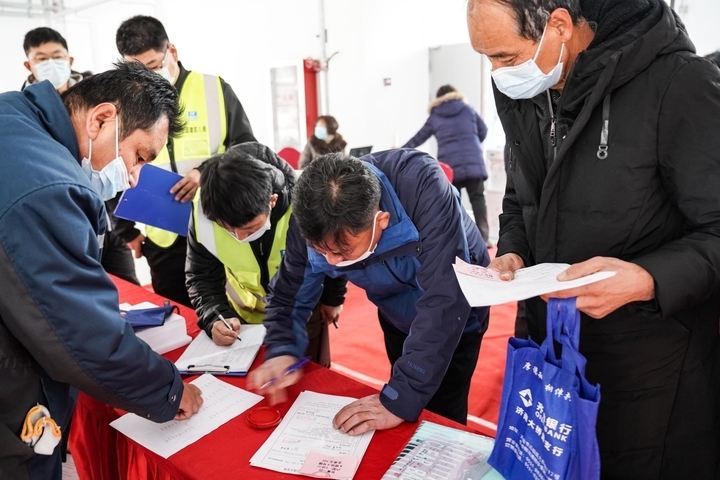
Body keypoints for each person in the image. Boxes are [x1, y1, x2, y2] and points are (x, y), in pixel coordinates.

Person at [467, 0, 720, 477]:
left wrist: (647, 278)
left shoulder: (679, 85)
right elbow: (522, 196)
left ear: (558, 26)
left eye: (503, 57)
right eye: (488, 58)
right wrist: (514, 248)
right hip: (552, 344)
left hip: (649, 361)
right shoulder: (527, 92)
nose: (497, 73)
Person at [0, 61, 203, 480]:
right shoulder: (49, 186)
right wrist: (167, 389)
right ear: (102, 118)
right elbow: (80, 334)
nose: (132, 178)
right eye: (137, 156)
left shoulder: (14, 119)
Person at [248, 150, 491, 434]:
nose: (332, 263)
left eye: (341, 251)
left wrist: (400, 398)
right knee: (403, 389)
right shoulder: (310, 214)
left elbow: (444, 300)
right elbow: (290, 289)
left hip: (458, 311)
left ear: (381, 220)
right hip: (394, 307)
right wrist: (282, 346)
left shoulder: (421, 185)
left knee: (440, 412)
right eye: (321, 250)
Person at [114, 15, 256, 306]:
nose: (148, 79)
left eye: (153, 66)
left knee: (228, 315)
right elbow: (110, 164)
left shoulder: (213, 89)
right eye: (136, 71)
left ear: (172, 52)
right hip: (162, 237)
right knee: (178, 321)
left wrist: (206, 171)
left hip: (218, 225)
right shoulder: (124, 104)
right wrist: (125, 232)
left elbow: (249, 147)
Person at [186, 142, 346, 366]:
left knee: (309, 380)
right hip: (242, 321)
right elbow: (200, 275)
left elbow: (333, 258)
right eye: (228, 230)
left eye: (250, 229)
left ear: (272, 201)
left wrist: (333, 298)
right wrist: (215, 316)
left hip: (301, 316)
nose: (239, 238)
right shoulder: (204, 210)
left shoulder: (305, 204)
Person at [21, 26, 140, 286]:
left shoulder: (98, 96)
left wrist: (126, 228)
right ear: (28, 64)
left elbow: (118, 157)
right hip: (67, 223)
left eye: (57, 56)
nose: (51, 63)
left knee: (130, 291)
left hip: (110, 223)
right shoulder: (24, 113)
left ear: (70, 59)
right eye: (41, 58)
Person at [403, 85, 491, 246]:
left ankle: (461, 240)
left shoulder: (436, 115)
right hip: (474, 163)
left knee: (453, 203)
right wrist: (472, 144)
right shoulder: (467, 109)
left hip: (451, 167)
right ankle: (484, 239)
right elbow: (483, 131)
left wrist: (401, 150)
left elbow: (419, 137)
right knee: (478, 201)